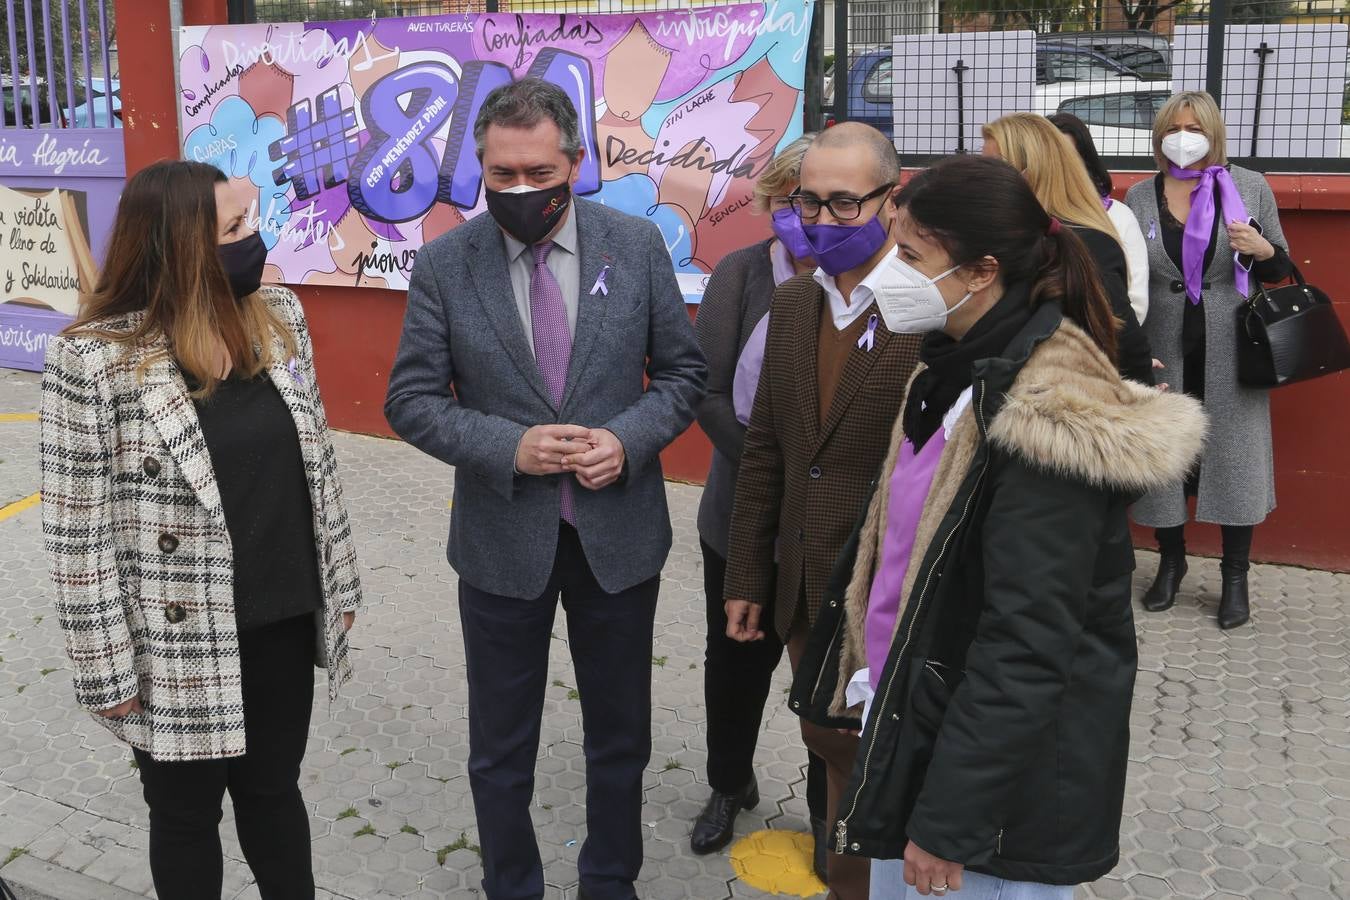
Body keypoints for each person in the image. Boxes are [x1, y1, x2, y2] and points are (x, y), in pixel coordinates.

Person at [788, 155, 1207, 900]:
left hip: (990, 809)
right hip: (922, 738)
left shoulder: (1046, 412)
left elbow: (1028, 645)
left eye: (910, 256)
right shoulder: (949, 372)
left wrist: (949, 821)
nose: (890, 270)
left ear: (980, 272)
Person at [384, 78, 705, 900]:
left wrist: (626, 441)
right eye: (502, 177)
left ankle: (609, 879)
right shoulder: (446, 263)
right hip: (501, 541)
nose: (521, 191)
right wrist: (511, 446)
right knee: (499, 744)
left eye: (538, 172)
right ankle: (511, 883)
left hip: (618, 537)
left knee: (619, 736)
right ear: (480, 173)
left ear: (576, 162)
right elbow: (410, 400)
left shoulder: (632, 247)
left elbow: (681, 374)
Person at [41, 160, 364, 900]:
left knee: (274, 794)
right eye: (236, 228)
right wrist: (106, 673)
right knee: (185, 816)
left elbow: (317, 471)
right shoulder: (94, 360)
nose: (257, 240)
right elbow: (75, 538)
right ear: (182, 246)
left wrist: (339, 583)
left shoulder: (277, 317)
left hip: (282, 613)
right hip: (173, 639)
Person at [724, 121, 923, 900]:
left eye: (845, 205)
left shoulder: (927, 313)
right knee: (832, 751)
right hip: (807, 585)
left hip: (892, 594)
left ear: (892, 202)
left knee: (879, 765)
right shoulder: (794, 301)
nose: (820, 222)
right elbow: (768, 449)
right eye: (808, 202)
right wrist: (747, 575)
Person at [690, 135, 829, 869]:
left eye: (812, 202)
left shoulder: (870, 281)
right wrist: (767, 470)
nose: (799, 216)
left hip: (832, 522)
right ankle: (726, 782)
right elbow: (705, 390)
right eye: (784, 201)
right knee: (735, 655)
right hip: (739, 510)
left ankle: (825, 808)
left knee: (825, 671)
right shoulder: (743, 274)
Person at [1125, 90, 1292, 630]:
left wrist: (1263, 250)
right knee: (1164, 461)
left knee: (1235, 462)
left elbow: (1278, 271)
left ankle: (1235, 577)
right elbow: (1128, 277)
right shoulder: (1140, 196)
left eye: (1193, 126)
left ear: (1213, 132)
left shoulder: (1248, 187)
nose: (1182, 136)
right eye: (1173, 127)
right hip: (1163, 350)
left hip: (1233, 349)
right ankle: (1170, 563)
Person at [982, 112, 1154, 384]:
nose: (983, 178)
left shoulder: (1087, 243)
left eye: (994, 167)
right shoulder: (994, 232)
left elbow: (1123, 338)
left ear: (1031, 172)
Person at [1049, 111, 1150, 324]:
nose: (1060, 167)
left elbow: (1135, 302)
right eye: (1051, 156)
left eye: (1069, 157)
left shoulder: (1118, 216)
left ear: (1086, 161)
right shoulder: (1026, 215)